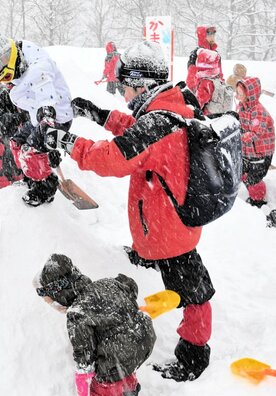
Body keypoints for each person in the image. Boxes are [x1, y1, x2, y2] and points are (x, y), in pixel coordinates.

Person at [45, 41, 215, 382]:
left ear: (142, 84)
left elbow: (113, 158)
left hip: (171, 232)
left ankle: (194, 354)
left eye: (124, 86)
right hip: (168, 221)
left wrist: (66, 141)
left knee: (195, 293)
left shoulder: (159, 124)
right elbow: (137, 130)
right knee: (188, 282)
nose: (122, 93)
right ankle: (147, 257)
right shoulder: (170, 106)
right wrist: (98, 113)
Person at [34, 254, 155, 396]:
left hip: (119, 357)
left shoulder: (77, 313)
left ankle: (117, 390)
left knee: (104, 381)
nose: (55, 307)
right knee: (122, 360)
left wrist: (82, 391)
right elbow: (130, 285)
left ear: (60, 295)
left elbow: (85, 361)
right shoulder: (108, 283)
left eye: (52, 303)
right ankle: (129, 388)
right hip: (144, 338)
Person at [0, 26, 73, 206]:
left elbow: (45, 91)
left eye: (5, 75)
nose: (6, 81)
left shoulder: (37, 66)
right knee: (17, 143)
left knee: (31, 151)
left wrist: (47, 125)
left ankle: (46, 187)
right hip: (36, 118)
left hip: (55, 116)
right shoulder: (16, 64)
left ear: (9, 57)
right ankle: (34, 177)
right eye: (0, 79)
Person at [235, 77, 275, 207]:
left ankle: (259, 202)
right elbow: (239, 124)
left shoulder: (258, 111)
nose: (237, 96)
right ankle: (254, 195)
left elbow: (255, 133)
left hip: (261, 153)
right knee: (244, 174)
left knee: (254, 178)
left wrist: (239, 138)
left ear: (249, 95)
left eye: (239, 94)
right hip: (249, 151)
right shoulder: (242, 108)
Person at [194, 48, 232, 114]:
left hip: (208, 118)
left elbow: (199, 103)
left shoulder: (205, 83)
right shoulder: (217, 79)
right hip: (219, 115)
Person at [186, 26, 223, 91]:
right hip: (201, 93)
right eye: (209, 34)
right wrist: (198, 92)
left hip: (215, 93)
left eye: (213, 34)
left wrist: (222, 85)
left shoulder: (216, 54)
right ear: (202, 36)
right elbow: (191, 79)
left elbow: (220, 74)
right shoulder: (196, 54)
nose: (212, 37)